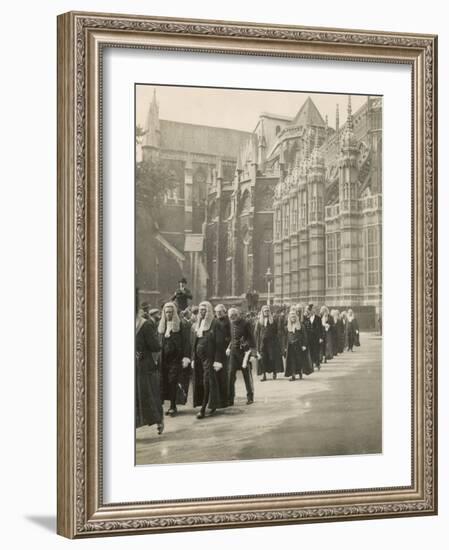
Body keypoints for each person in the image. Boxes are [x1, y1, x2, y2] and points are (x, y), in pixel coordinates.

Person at [192, 301, 228, 419]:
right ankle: (208, 403)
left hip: (210, 357)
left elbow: (219, 343)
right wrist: (193, 357)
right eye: (200, 309)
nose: (202, 312)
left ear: (208, 310)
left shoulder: (216, 323)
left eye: (204, 310)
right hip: (199, 358)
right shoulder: (198, 323)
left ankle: (203, 408)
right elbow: (195, 342)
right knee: (201, 381)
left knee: (207, 381)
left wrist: (218, 360)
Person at [158, 301, 192, 416]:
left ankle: (173, 406)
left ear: (174, 313)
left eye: (171, 312)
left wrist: (186, 357)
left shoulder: (181, 324)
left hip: (176, 359)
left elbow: (186, 342)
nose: (169, 314)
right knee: (165, 381)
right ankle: (167, 404)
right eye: (166, 312)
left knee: (173, 381)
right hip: (164, 359)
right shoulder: (161, 325)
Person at [135, 303, 164, 434]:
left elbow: (156, 346)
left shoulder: (145, 325)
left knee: (148, 393)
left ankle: (159, 420)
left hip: (144, 366)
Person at [227, 307, 256, 405]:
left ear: (237, 315)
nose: (232, 318)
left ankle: (250, 397)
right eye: (230, 316)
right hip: (233, 353)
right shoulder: (230, 323)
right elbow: (232, 338)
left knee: (246, 375)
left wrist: (251, 352)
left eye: (234, 315)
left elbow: (251, 338)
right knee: (230, 376)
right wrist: (229, 347)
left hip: (244, 353)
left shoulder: (245, 323)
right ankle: (230, 398)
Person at [255, 305, 284, 381]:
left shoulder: (273, 321)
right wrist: (257, 345)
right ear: (262, 312)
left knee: (272, 358)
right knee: (263, 358)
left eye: (267, 311)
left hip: (272, 343)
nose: (266, 312)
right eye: (265, 311)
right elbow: (257, 334)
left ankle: (274, 372)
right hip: (262, 343)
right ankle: (264, 375)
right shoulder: (259, 322)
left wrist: (277, 342)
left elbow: (276, 332)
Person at [284, 307, 312, 381]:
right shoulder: (287, 327)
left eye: (294, 317)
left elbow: (305, 336)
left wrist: (304, 345)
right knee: (292, 360)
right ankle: (293, 375)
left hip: (299, 345)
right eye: (291, 317)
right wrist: (285, 347)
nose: (293, 318)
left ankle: (300, 372)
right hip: (290, 345)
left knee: (299, 360)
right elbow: (285, 337)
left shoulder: (301, 326)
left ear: (296, 317)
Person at [304, 305, 323, 370]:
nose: (313, 311)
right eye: (311, 310)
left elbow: (320, 328)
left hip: (316, 337)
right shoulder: (307, 318)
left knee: (316, 350)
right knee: (310, 350)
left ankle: (317, 363)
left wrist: (321, 337)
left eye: (313, 310)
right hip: (309, 337)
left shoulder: (318, 318)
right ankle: (311, 364)